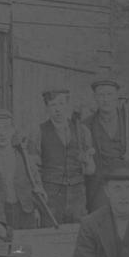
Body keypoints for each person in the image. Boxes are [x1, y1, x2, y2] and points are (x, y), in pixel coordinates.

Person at [84, 77, 129, 212]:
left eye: (109, 94)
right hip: (101, 187)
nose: (105, 99)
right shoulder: (86, 125)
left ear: (117, 96)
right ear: (95, 98)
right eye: (101, 95)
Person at [0, 109, 46, 231]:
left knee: (23, 249)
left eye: (6, 128)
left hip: (25, 212)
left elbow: (37, 184)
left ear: (13, 130)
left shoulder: (24, 156)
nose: (2, 133)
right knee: (3, 248)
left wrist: (37, 206)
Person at [37, 88, 95, 224]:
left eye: (61, 104)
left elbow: (91, 170)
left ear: (67, 105)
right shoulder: (39, 131)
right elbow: (34, 167)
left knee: (77, 232)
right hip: (51, 193)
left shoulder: (82, 131)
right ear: (46, 108)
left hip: (77, 193)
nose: (57, 109)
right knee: (50, 231)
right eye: (53, 105)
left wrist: (87, 161)